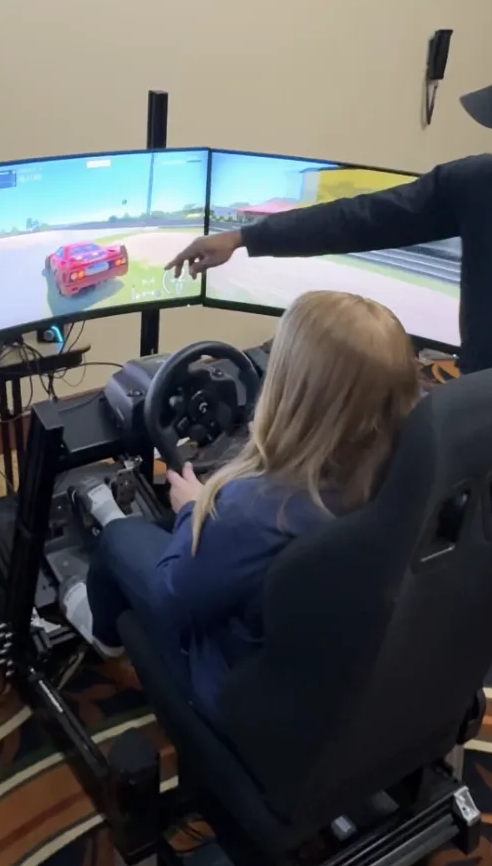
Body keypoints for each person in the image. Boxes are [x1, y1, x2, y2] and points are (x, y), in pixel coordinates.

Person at [167, 31, 492, 832]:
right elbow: (369, 216)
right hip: (463, 435)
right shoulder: (485, 184)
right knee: (440, 586)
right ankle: (413, 716)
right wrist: (247, 236)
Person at [60, 290, 420, 721]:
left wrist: (195, 509)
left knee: (121, 538)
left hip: (239, 697)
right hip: (344, 674)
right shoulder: (411, 473)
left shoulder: (252, 510)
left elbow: (174, 600)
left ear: (292, 390)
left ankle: (104, 636)